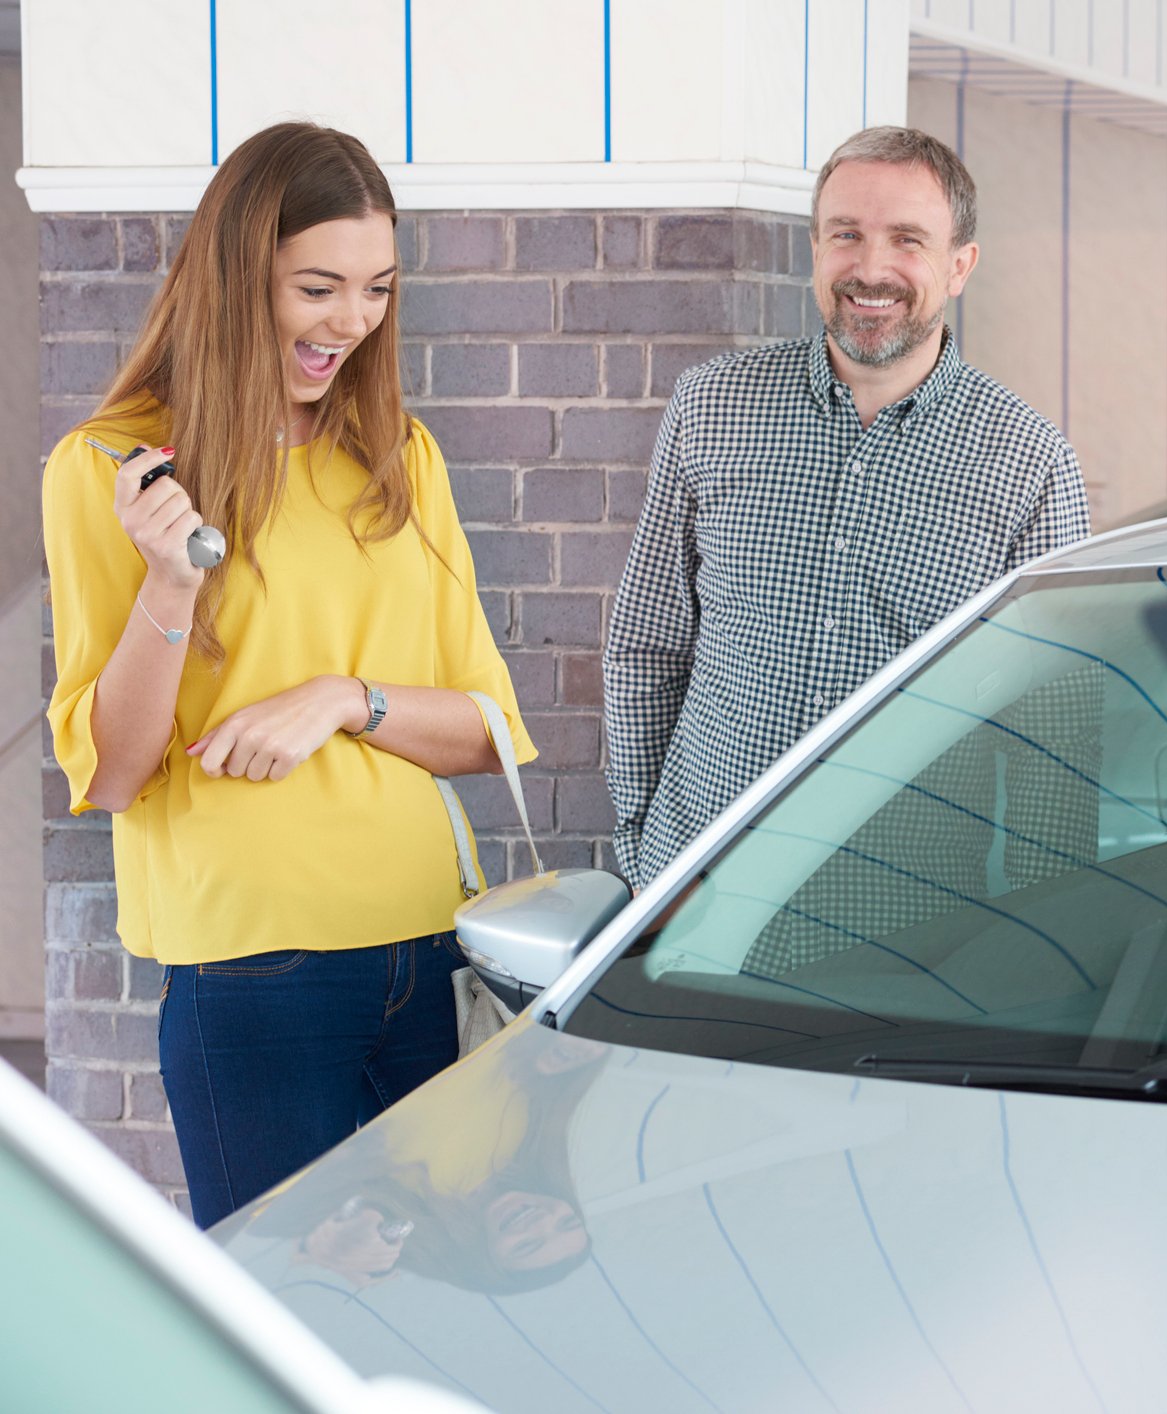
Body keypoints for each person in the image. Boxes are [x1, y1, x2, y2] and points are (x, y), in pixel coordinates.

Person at [42, 122, 534, 1230]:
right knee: (290, 1304)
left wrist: (341, 700)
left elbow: (486, 727)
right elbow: (114, 772)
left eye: (375, 290)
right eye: (318, 288)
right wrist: (170, 583)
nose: (351, 324)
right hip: (254, 973)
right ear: (234, 277)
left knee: (450, 1294)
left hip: (428, 942)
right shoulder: (108, 469)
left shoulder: (398, 456)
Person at [604, 125, 1091, 889]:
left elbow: (1051, 737)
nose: (870, 268)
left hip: (897, 927)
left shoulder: (1028, 462)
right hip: (694, 903)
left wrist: (1035, 942)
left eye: (907, 239)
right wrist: (641, 849)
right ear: (814, 249)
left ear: (959, 265)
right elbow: (647, 644)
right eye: (846, 235)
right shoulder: (712, 407)